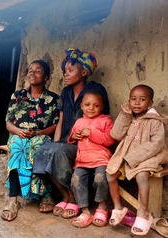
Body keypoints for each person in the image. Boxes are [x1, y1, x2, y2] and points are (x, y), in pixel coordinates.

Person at [33, 48, 110, 219]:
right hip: (67, 141)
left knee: (58, 152)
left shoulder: (96, 89)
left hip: (87, 146)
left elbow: (103, 119)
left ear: (84, 72)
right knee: (43, 151)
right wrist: (57, 142)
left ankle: (75, 198)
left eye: (70, 71)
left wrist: (62, 146)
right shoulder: (66, 92)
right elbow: (60, 120)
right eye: (64, 71)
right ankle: (66, 194)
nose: (65, 75)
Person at [1, 60, 59, 221]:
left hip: (41, 135)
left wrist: (37, 133)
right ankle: (13, 199)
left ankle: (46, 195)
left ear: (46, 77)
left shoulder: (53, 99)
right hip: (18, 135)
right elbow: (8, 123)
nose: (32, 73)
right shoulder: (17, 96)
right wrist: (19, 131)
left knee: (39, 146)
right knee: (19, 146)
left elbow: (55, 125)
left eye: (38, 71)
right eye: (30, 70)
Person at [106, 84, 168, 236]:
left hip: (150, 156)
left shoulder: (155, 121)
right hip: (127, 155)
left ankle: (143, 213)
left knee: (141, 176)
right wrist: (124, 115)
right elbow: (116, 134)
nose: (137, 103)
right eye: (133, 99)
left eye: (142, 99)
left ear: (150, 103)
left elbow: (157, 144)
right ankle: (118, 207)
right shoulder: (130, 117)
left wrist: (134, 157)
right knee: (110, 174)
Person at [67, 90, 114, 228]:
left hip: (101, 159)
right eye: (87, 104)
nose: (91, 108)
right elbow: (72, 135)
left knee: (100, 178)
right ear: (81, 106)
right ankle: (85, 211)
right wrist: (73, 137)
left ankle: (102, 206)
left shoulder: (106, 120)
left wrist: (91, 133)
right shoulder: (79, 121)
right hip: (82, 160)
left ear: (102, 107)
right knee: (76, 180)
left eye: (96, 105)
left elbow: (109, 140)